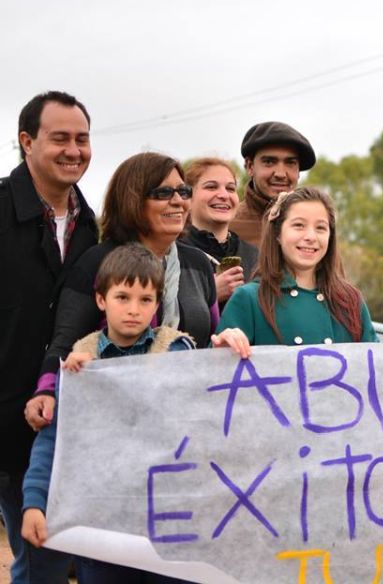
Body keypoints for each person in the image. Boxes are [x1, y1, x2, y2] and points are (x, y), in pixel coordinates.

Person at [20, 244, 247, 583]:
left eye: (145, 300)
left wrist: (220, 360)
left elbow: (207, 412)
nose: (133, 310)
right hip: (103, 527)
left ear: (157, 304)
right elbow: (53, 441)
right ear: (101, 300)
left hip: (171, 524)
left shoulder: (177, 350)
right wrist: (33, 502)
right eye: (122, 297)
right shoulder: (81, 362)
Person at [25, 152, 219, 431]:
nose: (178, 201)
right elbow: (65, 342)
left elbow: (213, 343)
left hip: (188, 419)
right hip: (114, 423)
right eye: (163, 192)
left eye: (183, 191)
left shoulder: (198, 264)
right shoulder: (97, 262)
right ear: (133, 199)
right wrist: (46, 391)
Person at [0, 90, 95, 583]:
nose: (73, 150)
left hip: (66, 419)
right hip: (9, 418)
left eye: (82, 139)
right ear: (26, 142)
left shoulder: (91, 225)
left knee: (55, 555)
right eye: (60, 138)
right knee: (40, 558)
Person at [218, 187, 383, 351]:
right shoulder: (249, 298)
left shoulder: (350, 300)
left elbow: (372, 370)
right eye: (299, 226)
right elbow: (217, 379)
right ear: (277, 233)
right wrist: (225, 346)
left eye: (320, 228)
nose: (311, 236)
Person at [181, 157, 259, 308]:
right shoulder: (174, 255)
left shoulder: (255, 256)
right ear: (188, 198)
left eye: (230, 188)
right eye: (211, 187)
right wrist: (211, 293)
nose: (224, 195)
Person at [230, 121, 316, 247]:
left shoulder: (315, 226)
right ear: (250, 166)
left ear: (298, 171)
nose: (280, 174)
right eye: (269, 162)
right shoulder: (227, 225)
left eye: (290, 163)